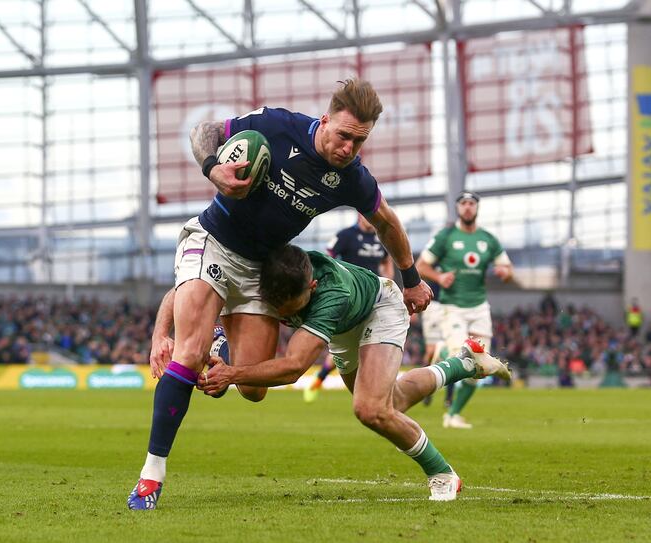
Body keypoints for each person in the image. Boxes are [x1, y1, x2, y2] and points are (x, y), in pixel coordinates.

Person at [128, 79, 433, 510]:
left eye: (359, 141)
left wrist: (411, 278)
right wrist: (213, 169)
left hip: (262, 268)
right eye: (343, 135)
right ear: (325, 120)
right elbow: (205, 131)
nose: (348, 148)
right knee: (189, 352)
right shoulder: (276, 125)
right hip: (213, 240)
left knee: (252, 389)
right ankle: (151, 477)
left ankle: (219, 339)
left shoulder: (351, 177)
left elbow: (387, 222)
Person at [199, 245, 510, 501]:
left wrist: (231, 373)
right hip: (341, 328)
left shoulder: (331, 293)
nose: (283, 314)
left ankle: (442, 473)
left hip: (379, 307)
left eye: (291, 307)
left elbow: (294, 366)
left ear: (312, 287)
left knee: (370, 409)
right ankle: (462, 363)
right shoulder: (272, 274)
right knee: (393, 404)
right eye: (277, 306)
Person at [416, 191, 513, 429]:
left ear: (477, 208)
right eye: (463, 203)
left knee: (482, 368)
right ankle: (443, 351)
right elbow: (421, 265)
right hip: (453, 307)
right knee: (461, 356)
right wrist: (439, 277)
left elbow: (508, 269)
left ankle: (453, 415)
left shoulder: (488, 239)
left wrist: (504, 273)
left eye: (471, 203)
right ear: (458, 208)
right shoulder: (446, 236)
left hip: (479, 308)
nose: (468, 207)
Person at [303, 214, 393, 402]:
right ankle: (321, 378)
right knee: (347, 349)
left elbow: (386, 260)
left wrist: (388, 279)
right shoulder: (345, 235)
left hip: (374, 297)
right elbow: (327, 256)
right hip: (349, 298)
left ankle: (373, 393)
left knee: (365, 347)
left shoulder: (381, 238)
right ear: (360, 215)